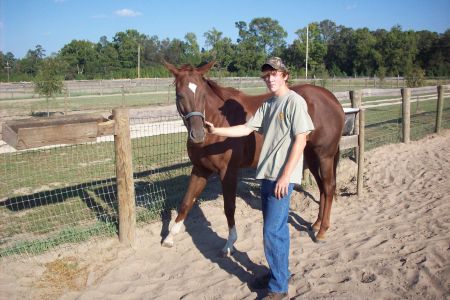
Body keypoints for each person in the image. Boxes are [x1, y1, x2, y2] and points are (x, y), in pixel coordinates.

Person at [205, 57, 314, 300]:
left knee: (272, 232)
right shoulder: (268, 104)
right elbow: (246, 128)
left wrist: (286, 176)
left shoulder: (294, 102)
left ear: (285, 75)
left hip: (280, 177)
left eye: (274, 74)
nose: (270, 79)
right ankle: (279, 273)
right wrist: (216, 130)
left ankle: (278, 288)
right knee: (276, 230)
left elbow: (301, 139)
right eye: (266, 76)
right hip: (266, 175)